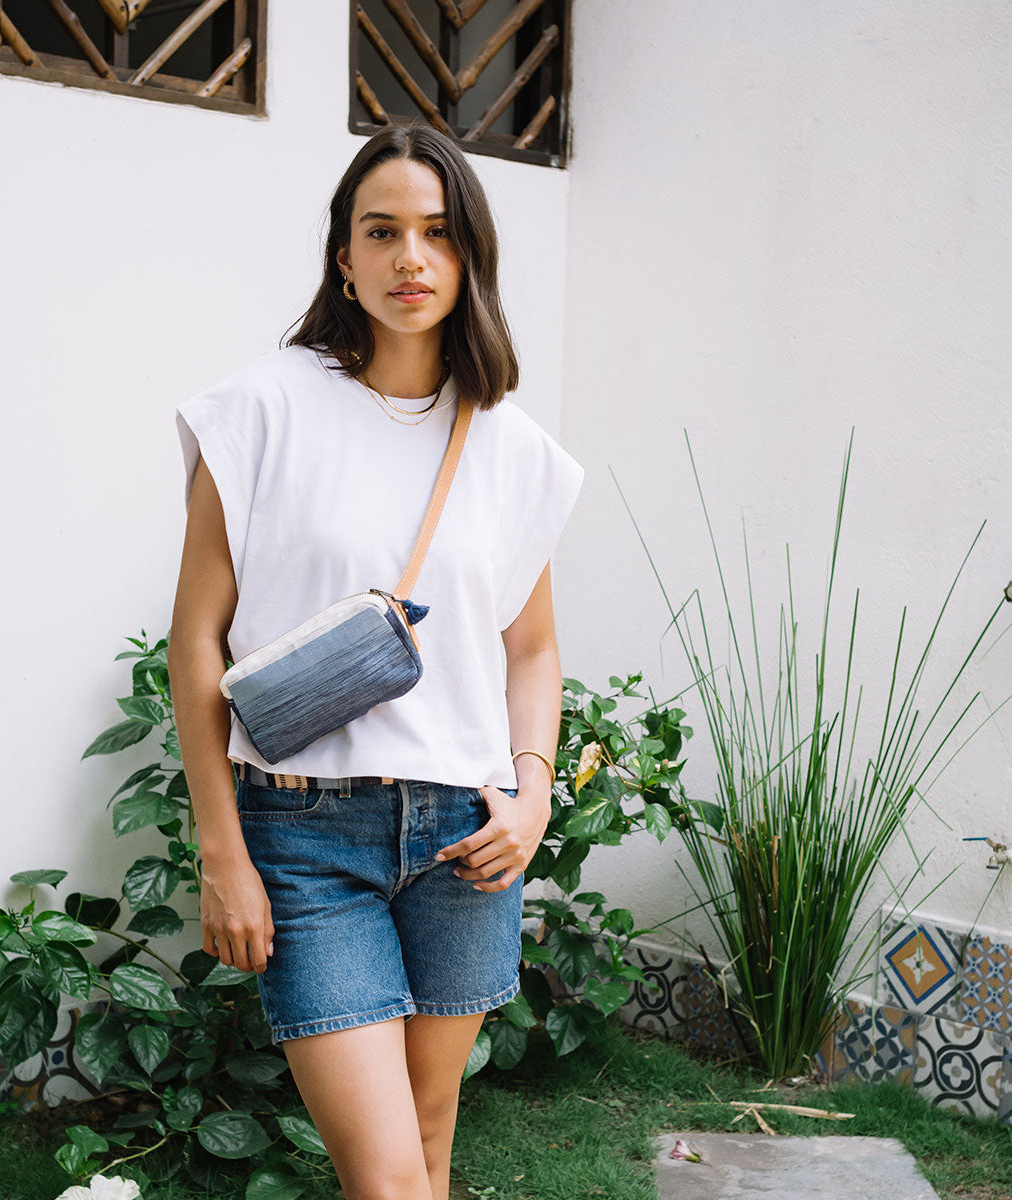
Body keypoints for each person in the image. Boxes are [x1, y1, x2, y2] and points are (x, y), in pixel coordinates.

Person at [168, 122, 584, 1200]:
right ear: (343, 258)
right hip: (306, 838)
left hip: (464, 840)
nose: (411, 257)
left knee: (433, 1145)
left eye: (438, 234)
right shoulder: (262, 409)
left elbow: (530, 648)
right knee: (387, 1175)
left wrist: (534, 794)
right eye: (382, 231)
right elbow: (196, 639)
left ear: (470, 258)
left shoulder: (511, 446)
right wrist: (224, 852)